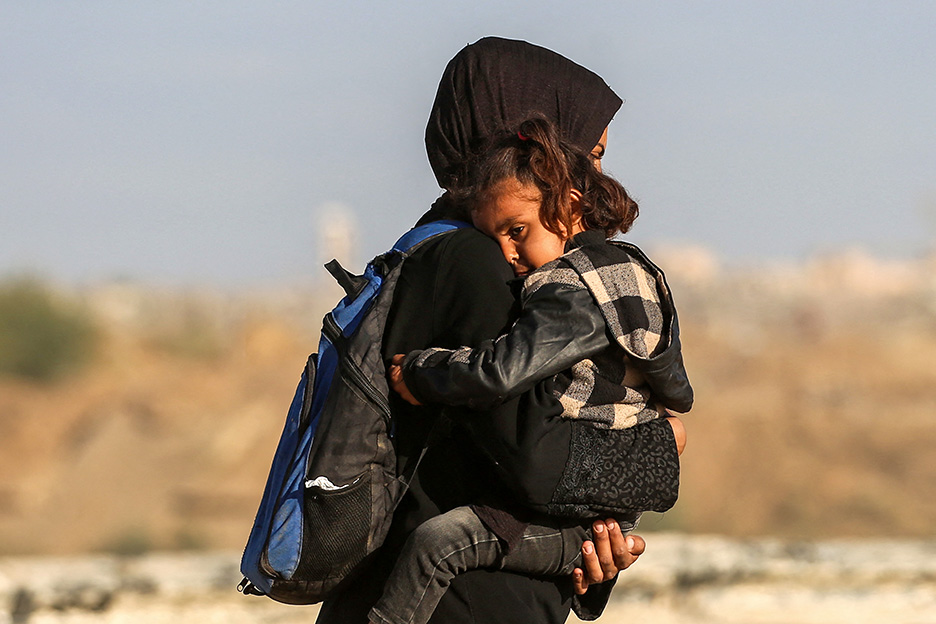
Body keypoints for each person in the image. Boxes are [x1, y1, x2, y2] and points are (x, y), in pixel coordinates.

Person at [315, 37, 642, 624]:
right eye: (589, 155)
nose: (595, 179)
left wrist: (593, 554)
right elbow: (539, 463)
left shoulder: (443, 250)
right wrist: (659, 449)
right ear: (534, 149)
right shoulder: (477, 263)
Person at [369, 116, 691, 624]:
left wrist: (423, 371)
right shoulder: (634, 271)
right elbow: (677, 388)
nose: (507, 254)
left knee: (439, 542)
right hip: (597, 517)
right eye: (495, 239)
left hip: (569, 520)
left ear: (568, 205)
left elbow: (502, 373)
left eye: (517, 232)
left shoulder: (571, 291)